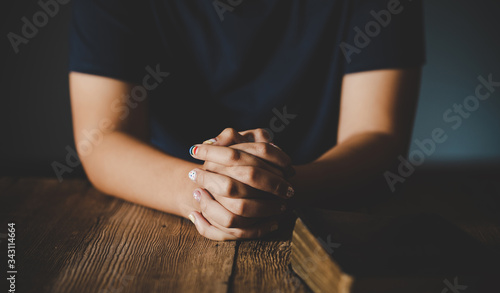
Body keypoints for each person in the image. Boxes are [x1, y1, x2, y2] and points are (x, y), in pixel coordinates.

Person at [69, 0, 425, 240]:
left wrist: (276, 188)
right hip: (160, 199)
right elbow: (101, 139)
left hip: (332, 203)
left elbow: (378, 135)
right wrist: (198, 191)